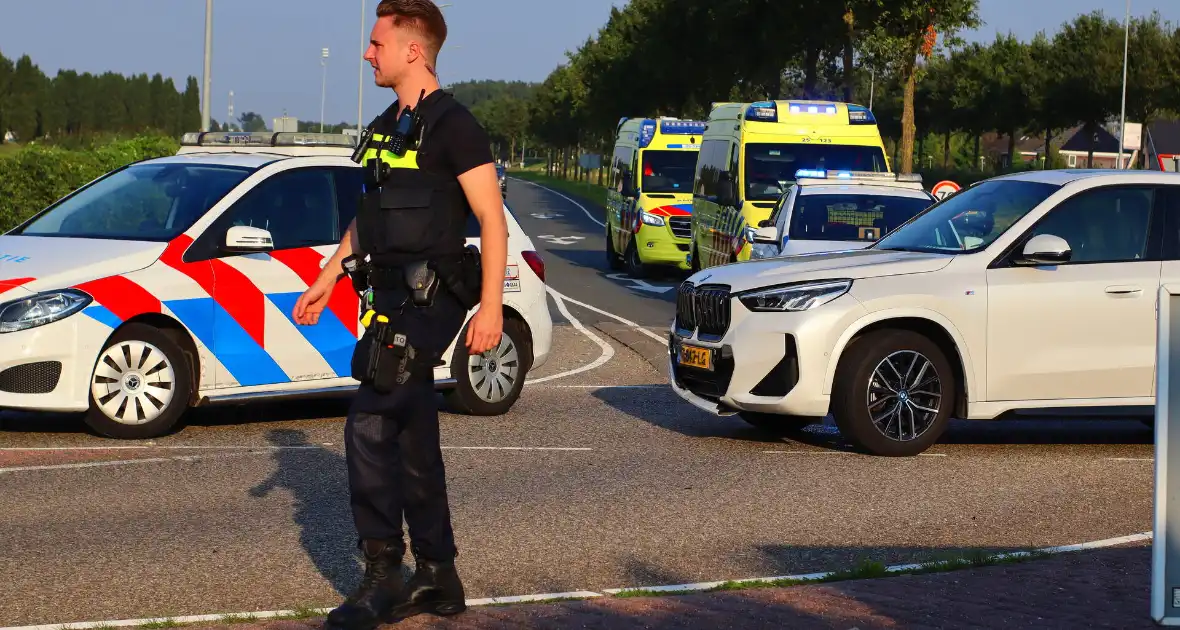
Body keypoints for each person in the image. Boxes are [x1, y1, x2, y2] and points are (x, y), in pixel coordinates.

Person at [291, 0, 506, 627]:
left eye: (376, 42)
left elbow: (490, 219)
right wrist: (329, 274)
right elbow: (369, 215)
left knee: (368, 420)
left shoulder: (455, 126)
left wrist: (490, 308)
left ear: (414, 50)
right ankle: (439, 577)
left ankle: (383, 574)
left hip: (433, 299)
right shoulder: (388, 123)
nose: (367, 53)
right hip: (384, 298)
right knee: (412, 435)